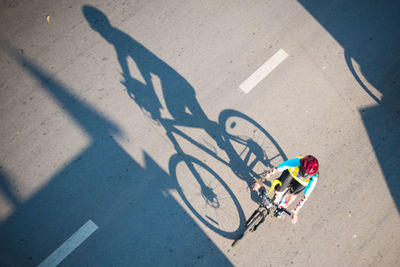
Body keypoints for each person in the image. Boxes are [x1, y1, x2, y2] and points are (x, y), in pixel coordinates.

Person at [252, 155, 319, 224]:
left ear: (312, 175)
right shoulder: (296, 161)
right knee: (278, 190)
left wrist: (295, 211)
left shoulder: (314, 179)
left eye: (306, 175)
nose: (302, 176)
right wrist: (260, 180)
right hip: (291, 173)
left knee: (293, 193)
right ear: (300, 165)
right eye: (302, 171)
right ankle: (277, 198)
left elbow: (305, 197)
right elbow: (274, 170)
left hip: (302, 182)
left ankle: (283, 206)